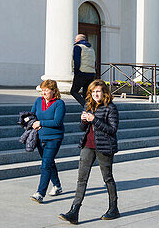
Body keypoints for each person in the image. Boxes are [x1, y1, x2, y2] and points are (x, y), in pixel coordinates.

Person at [58, 78, 120, 223]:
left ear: (104, 92)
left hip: (104, 147)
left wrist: (94, 120)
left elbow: (112, 129)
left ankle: (113, 209)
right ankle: (74, 211)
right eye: (93, 92)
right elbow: (83, 128)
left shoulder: (111, 108)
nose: (95, 94)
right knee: (81, 179)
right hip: (87, 145)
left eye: (98, 91)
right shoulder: (88, 105)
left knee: (108, 178)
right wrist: (84, 121)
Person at [30, 79, 66, 203]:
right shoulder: (38, 101)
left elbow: (57, 122)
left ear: (53, 91)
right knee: (49, 162)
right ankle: (57, 186)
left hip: (54, 138)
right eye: (42, 90)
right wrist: (30, 122)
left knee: (45, 164)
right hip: (40, 138)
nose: (43, 93)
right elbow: (32, 115)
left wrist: (41, 123)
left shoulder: (59, 103)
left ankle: (40, 193)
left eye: (46, 90)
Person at [71, 34, 98, 105]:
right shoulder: (91, 48)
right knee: (86, 94)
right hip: (91, 73)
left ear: (79, 40)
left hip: (81, 72)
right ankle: (89, 108)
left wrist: (76, 72)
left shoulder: (78, 47)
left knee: (74, 91)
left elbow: (76, 60)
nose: (75, 41)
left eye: (75, 39)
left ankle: (86, 107)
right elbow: (94, 61)